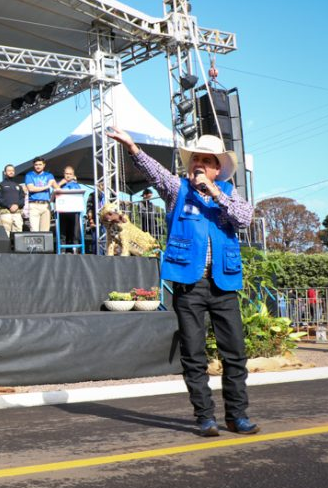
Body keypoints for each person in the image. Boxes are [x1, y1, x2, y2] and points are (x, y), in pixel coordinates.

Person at [109, 128, 259, 436]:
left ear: (218, 169)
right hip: (189, 285)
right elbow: (156, 172)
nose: (200, 166)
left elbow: (244, 219)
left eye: (207, 161)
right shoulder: (177, 190)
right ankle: (205, 416)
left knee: (234, 353)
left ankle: (237, 416)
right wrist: (133, 148)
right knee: (193, 352)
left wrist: (215, 193)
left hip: (223, 285)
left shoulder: (228, 194)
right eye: (197, 161)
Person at [24, 156, 57, 232]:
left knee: (45, 231)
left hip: (46, 205)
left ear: (44, 165)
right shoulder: (29, 175)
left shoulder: (49, 175)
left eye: (40, 164)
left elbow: (57, 188)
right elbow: (31, 188)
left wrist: (64, 181)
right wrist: (47, 186)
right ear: (33, 165)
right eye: (36, 165)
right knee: (34, 230)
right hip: (34, 205)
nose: (38, 166)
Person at [56, 165, 83, 252]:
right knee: (62, 233)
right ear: (64, 174)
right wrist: (60, 184)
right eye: (66, 174)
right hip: (62, 211)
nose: (68, 175)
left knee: (75, 233)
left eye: (70, 174)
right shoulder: (60, 184)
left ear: (73, 175)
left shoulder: (76, 185)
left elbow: (79, 194)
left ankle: (75, 250)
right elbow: (53, 194)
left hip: (74, 211)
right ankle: (62, 251)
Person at [0, 164, 25, 235]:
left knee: (18, 236)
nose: (11, 172)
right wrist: (9, 206)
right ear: (5, 172)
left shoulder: (18, 186)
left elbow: (22, 198)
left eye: (12, 170)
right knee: (5, 235)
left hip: (17, 214)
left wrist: (17, 205)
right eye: (9, 170)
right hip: (5, 213)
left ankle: (17, 247)